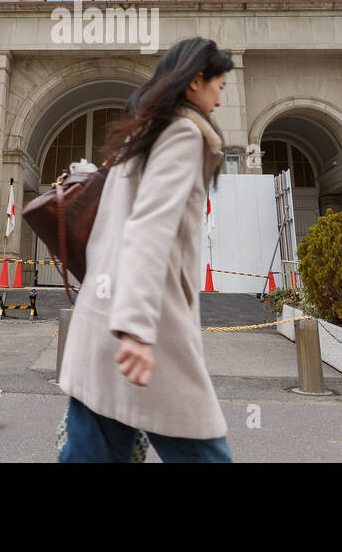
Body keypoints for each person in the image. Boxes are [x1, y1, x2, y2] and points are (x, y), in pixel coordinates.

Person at [57, 37, 234, 462]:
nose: (220, 100)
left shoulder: (139, 139)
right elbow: (149, 228)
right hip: (147, 330)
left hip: (104, 325)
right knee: (202, 452)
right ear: (196, 81)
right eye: (220, 87)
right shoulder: (183, 135)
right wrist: (136, 328)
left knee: (93, 452)